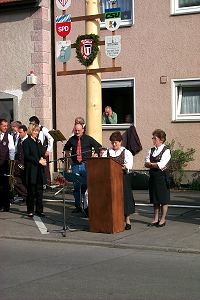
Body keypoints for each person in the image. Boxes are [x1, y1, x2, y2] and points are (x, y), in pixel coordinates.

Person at [63, 123, 101, 214]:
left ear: (83, 130)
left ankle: (86, 206)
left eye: (79, 130)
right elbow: (66, 148)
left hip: (85, 165)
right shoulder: (72, 139)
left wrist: (95, 154)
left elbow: (98, 146)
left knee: (85, 186)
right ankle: (78, 206)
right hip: (75, 165)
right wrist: (69, 158)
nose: (77, 132)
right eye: (75, 130)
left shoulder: (88, 139)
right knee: (76, 186)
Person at [102, 131, 135, 230]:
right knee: (111, 199)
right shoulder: (107, 152)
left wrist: (125, 167)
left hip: (122, 178)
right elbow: (103, 164)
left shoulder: (126, 152)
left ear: (120, 142)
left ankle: (127, 220)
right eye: (112, 142)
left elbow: (129, 165)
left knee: (125, 199)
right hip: (110, 179)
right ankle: (113, 219)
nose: (114, 144)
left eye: (116, 142)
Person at [144, 129, 171, 227]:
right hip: (153, 177)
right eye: (153, 138)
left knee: (163, 199)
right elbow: (146, 163)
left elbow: (162, 164)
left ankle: (163, 219)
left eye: (154, 138)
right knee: (155, 199)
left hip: (162, 177)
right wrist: (153, 164)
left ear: (161, 139)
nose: (153, 140)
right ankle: (155, 219)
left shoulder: (166, 150)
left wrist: (152, 164)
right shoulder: (151, 150)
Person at [23, 124, 47, 217]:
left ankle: (39, 210)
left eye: (37, 131)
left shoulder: (38, 141)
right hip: (31, 169)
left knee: (39, 191)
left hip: (39, 170)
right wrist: (38, 161)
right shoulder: (26, 142)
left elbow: (41, 153)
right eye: (34, 131)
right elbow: (27, 156)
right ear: (30, 131)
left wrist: (43, 158)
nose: (36, 133)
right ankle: (30, 210)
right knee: (31, 191)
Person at [29, 116, 54, 185]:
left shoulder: (43, 129)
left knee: (45, 167)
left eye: (32, 123)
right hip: (36, 150)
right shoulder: (32, 130)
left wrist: (48, 150)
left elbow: (51, 139)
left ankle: (47, 182)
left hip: (43, 150)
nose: (31, 124)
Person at [0, 118, 15, 211]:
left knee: (5, 185)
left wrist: (11, 163)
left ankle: (6, 205)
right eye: (4, 126)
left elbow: (12, 150)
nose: (6, 127)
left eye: (7, 126)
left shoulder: (9, 137)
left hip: (5, 164)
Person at [13, 125, 28, 203]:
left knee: (25, 181)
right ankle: (25, 196)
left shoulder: (28, 140)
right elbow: (15, 150)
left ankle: (27, 197)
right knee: (16, 180)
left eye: (21, 132)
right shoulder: (19, 140)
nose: (19, 134)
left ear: (25, 132)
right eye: (18, 132)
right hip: (18, 163)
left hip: (26, 164)